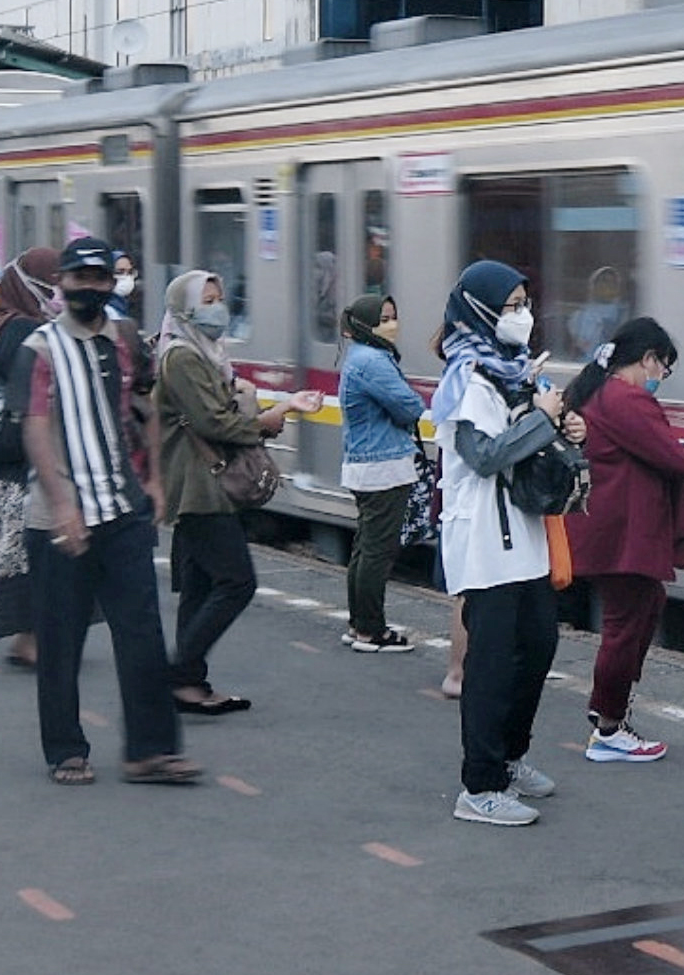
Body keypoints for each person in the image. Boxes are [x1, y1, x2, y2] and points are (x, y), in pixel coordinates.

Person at [22, 236, 198, 787]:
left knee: (141, 630)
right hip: (59, 517)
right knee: (61, 638)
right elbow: (34, 428)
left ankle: (149, 751)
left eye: (100, 280)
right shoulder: (40, 348)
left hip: (123, 508)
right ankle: (65, 750)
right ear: (62, 285)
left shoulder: (124, 339)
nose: (90, 289)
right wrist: (62, 504)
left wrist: (154, 479)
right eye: (81, 279)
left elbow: (148, 403)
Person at [434, 259, 583, 828]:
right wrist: (542, 419)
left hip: (524, 537)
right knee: (492, 662)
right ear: (482, 311)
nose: (521, 316)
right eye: (512, 306)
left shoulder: (515, 373)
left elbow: (527, 438)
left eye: (524, 304)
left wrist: (565, 426)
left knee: (539, 645)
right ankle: (480, 784)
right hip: (484, 545)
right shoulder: (468, 378)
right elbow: (485, 455)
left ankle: (511, 755)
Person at [153, 268, 303, 715]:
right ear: (184, 309)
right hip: (200, 485)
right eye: (207, 300)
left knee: (200, 586)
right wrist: (268, 419)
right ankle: (177, 672)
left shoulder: (204, 352)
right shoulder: (181, 357)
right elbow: (212, 422)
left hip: (203, 480)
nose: (217, 308)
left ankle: (189, 684)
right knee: (237, 582)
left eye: (219, 298)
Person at [561, 317, 684, 763]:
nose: (661, 378)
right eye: (663, 367)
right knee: (624, 626)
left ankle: (611, 714)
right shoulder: (627, 399)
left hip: (611, 532)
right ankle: (608, 725)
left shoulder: (599, 392)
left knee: (641, 612)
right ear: (647, 359)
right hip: (623, 536)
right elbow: (677, 458)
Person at [0, 249, 56, 667]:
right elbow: (31, 400)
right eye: (52, 279)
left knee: (18, 555)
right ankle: (30, 640)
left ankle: (28, 637)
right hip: (17, 460)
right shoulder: (25, 330)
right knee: (29, 554)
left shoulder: (0, 323)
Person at [337, 293, 427, 654]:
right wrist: (414, 404)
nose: (392, 325)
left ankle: (358, 623)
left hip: (366, 465)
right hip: (383, 468)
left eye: (393, 317)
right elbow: (409, 407)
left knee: (364, 548)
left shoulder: (358, 357)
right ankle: (371, 631)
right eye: (383, 319)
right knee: (377, 550)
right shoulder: (373, 360)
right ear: (365, 325)